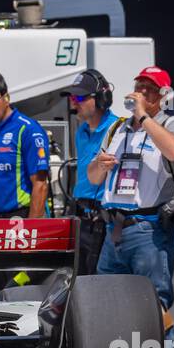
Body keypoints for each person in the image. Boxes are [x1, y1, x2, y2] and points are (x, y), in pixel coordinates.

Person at [86, 66, 174, 348]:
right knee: (108, 307)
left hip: (150, 229)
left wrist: (144, 117)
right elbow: (92, 177)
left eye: (150, 89)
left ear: (162, 95)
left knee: (154, 307)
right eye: (139, 87)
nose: (141, 93)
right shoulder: (117, 128)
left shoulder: (171, 123)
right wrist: (100, 165)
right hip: (113, 227)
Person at [0, 71, 51, 219]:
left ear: (6, 98)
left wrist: (32, 231)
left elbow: (40, 185)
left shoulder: (28, 130)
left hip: (19, 217)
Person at [65, 70, 122, 275]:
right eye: (72, 98)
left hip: (102, 219)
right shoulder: (81, 131)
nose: (74, 104)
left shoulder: (118, 128)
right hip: (81, 216)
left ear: (100, 99)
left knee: (95, 282)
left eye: (79, 98)